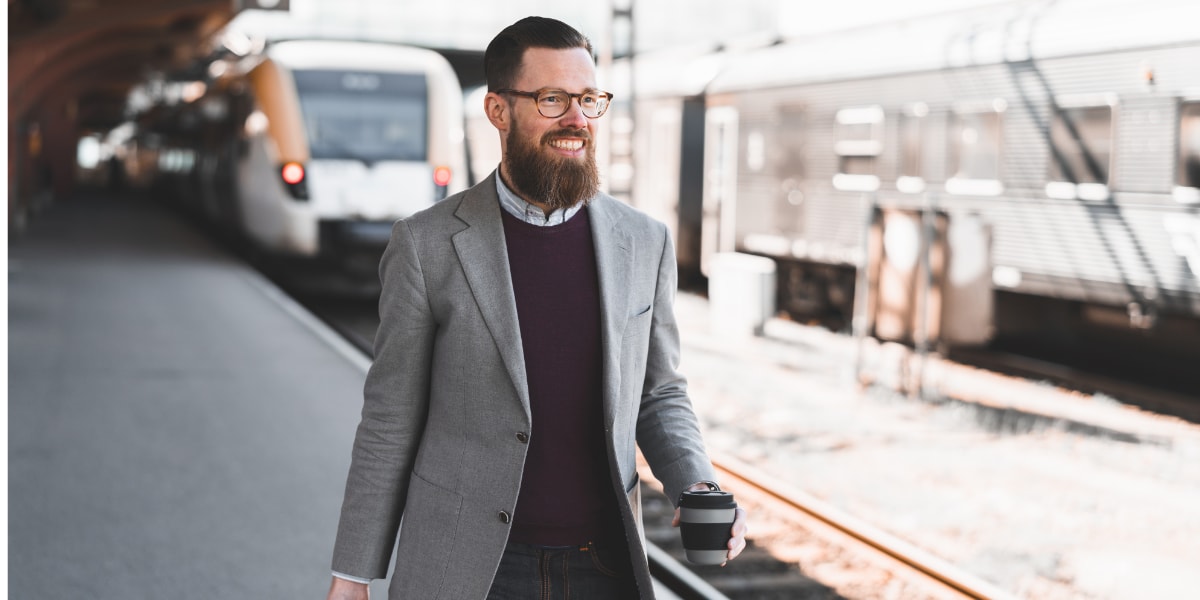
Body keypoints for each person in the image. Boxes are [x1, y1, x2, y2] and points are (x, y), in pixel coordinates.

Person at [326, 16, 748, 600]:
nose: (577, 119)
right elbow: (390, 418)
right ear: (499, 111)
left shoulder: (644, 242)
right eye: (553, 99)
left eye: (589, 99)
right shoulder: (425, 245)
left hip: (603, 569)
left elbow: (658, 391)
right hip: (470, 569)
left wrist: (695, 482)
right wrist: (352, 573)